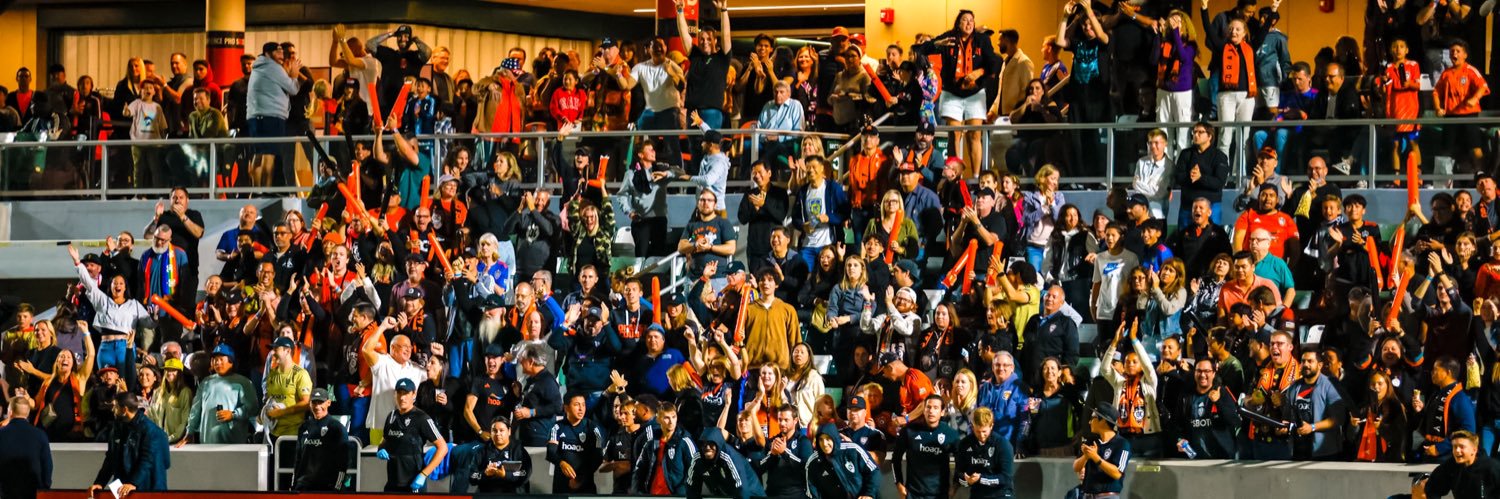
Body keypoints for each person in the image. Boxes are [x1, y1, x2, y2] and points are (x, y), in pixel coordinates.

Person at [90, 392, 170, 497]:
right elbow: (111, 458)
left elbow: (147, 460)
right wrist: (99, 483)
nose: (112, 410)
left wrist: (133, 483)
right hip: (124, 488)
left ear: (124, 410)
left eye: (115, 406)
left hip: (149, 490)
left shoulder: (151, 431)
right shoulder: (117, 428)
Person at [375, 378, 448, 492]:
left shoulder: (422, 418)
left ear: (414, 394)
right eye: (399, 393)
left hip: (413, 484)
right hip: (392, 483)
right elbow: (384, 440)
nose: (402, 397)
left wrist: (423, 475)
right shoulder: (391, 416)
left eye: (406, 393)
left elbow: (443, 448)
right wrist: (380, 449)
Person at [184, 343, 257, 444]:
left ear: (231, 362)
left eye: (221, 359)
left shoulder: (243, 383)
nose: (217, 362)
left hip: (234, 445)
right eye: (215, 359)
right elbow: (195, 410)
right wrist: (189, 432)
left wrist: (233, 414)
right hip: (207, 443)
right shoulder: (205, 382)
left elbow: (253, 408)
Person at [891, 395, 959, 499]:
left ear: (942, 412)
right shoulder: (909, 431)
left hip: (940, 495)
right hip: (913, 494)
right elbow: (895, 458)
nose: (931, 411)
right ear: (923, 410)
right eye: (928, 407)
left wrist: (954, 486)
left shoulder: (950, 434)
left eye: (936, 408)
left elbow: (961, 461)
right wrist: (898, 483)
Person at [1282, 349, 1345, 460]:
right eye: (1303, 361)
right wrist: (1283, 427)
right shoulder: (1293, 387)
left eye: (1310, 361)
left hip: (1324, 451)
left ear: (1320, 365)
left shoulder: (1331, 386)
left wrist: (1312, 427)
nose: (1305, 364)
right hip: (1298, 450)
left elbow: (1337, 419)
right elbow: (1287, 416)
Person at [1172, 358, 1239, 459]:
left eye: (1207, 371)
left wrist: (1218, 402)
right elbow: (1177, 423)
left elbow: (1234, 421)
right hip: (1195, 459)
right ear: (1194, 373)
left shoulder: (1222, 392)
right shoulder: (1186, 396)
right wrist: (1179, 439)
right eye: (1199, 371)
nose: (1202, 375)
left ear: (1213, 373)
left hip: (1222, 458)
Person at [1415, 357, 1477, 463]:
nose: (1432, 373)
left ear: (1447, 372)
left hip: (1448, 456)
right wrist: (1421, 411)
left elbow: (1468, 430)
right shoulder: (1437, 393)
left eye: (1435, 370)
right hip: (1430, 451)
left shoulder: (1460, 397)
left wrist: (1441, 448)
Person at [633, 401, 698, 495]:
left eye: (673, 417)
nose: (671, 421)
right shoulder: (651, 442)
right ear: (658, 419)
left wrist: (681, 493)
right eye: (666, 418)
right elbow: (639, 469)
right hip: (653, 494)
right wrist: (638, 493)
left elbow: (695, 469)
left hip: (674, 496)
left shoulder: (685, 441)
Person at [1414, 431, 1500, 499]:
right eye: (1455, 447)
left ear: (1474, 450)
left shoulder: (1492, 467)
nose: (1457, 450)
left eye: (1462, 447)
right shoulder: (1450, 466)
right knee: (1421, 488)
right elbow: (1433, 488)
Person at [291, 387, 347, 491]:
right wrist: (294, 485)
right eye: (314, 403)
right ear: (310, 404)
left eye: (321, 402)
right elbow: (298, 459)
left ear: (328, 403)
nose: (317, 406)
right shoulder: (303, 427)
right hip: (304, 486)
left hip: (327, 488)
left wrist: (337, 487)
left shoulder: (337, 428)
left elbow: (343, 462)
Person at [548, 392, 605, 493]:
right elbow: (551, 452)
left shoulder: (593, 428)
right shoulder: (557, 427)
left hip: (585, 486)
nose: (581, 409)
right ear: (566, 408)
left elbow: (598, 457)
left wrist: (580, 478)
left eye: (583, 404)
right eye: (576, 405)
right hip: (561, 487)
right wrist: (561, 463)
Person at [806, 423, 880, 499]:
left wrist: (869, 494)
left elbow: (873, 470)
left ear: (834, 438)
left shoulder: (853, 450)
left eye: (828, 439)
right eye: (821, 439)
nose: (824, 444)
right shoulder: (813, 463)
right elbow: (812, 491)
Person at [955, 407, 1014, 499]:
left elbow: (1006, 478)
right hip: (977, 494)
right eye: (978, 431)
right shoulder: (964, 444)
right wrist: (967, 481)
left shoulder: (1003, 445)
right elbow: (958, 475)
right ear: (972, 426)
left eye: (984, 431)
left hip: (1001, 494)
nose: (981, 435)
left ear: (991, 426)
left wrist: (981, 479)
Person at [0, 395, 51, 499]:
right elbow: (47, 465)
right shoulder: (40, 435)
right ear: (27, 413)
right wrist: (45, 487)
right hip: (32, 490)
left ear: (10, 412)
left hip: (6, 490)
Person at [756, 404, 812, 499]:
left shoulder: (803, 441)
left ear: (795, 421)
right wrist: (772, 455)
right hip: (772, 493)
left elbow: (806, 469)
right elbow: (760, 468)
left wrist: (784, 453)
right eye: (780, 419)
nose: (782, 423)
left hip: (795, 494)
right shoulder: (773, 441)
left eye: (786, 420)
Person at [1074, 405, 1130, 498]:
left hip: (1107, 496)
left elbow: (1117, 474)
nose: (1089, 422)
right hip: (1087, 495)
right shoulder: (1091, 441)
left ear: (1103, 421)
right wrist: (1086, 456)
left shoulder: (1121, 444)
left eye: (1093, 418)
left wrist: (1095, 457)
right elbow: (1076, 467)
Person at [472, 417, 533, 493]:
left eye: (501, 430)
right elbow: (472, 476)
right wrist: (485, 473)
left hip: (513, 494)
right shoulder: (482, 451)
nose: (497, 433)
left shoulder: (519, 450)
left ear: (509, 431)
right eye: (494, 430)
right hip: (488, 494)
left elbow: (525, 473)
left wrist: (506, 475)